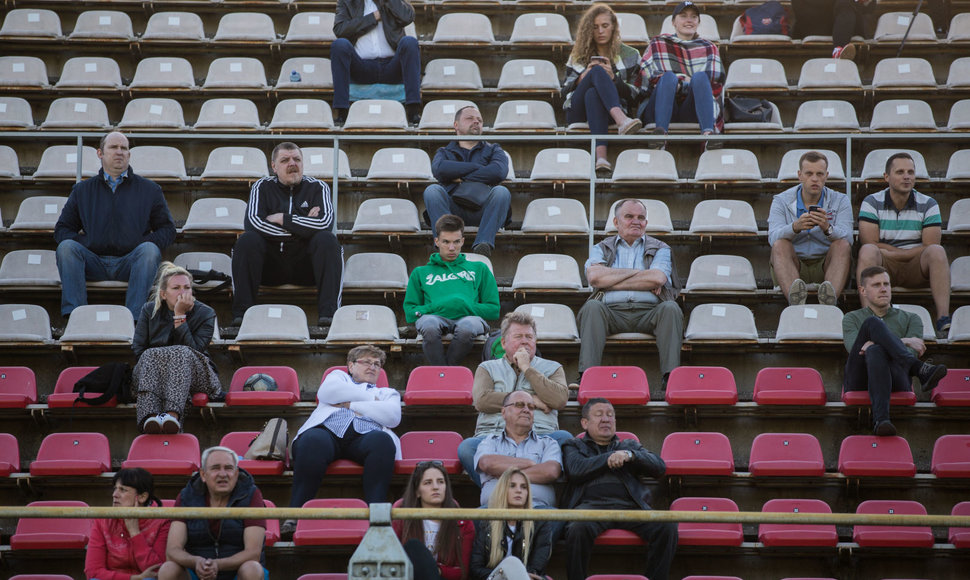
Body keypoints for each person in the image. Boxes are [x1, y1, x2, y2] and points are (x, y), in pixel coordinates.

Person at [54, 131, 176, 320]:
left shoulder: (150, 190)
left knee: (149, 250)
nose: (119, 152)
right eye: (113, 147)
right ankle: (75, 316)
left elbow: (167, 230)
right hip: (93, 262)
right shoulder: (82, 190)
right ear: (100, 153)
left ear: (129, 154)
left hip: (131, 261)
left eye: (124, 148)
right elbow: (62, 230)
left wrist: (141, 242)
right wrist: (87, 242)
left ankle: (136, 319)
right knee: (66, 248)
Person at [282, 345, 401, 536]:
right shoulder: (338, 376)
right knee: (312, 441)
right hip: (328, 432)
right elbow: (327, 393)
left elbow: (393, 416)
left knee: (382, 442)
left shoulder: (388, 393)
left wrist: (349, 404)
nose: (372, 367)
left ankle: (377, 519)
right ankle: (295, 516)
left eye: (377, 364)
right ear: (351, 366)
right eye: (366, 362)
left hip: (365, 437)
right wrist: (372, 400)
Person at [561, 398, 677, 580]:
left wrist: (630, 456)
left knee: (666, 526)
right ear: (584, 423)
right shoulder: (574, 445)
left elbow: (659, 468)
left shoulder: (628, 446)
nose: (606, 419)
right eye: (599, 415)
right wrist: (609, 459)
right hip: (590, 509)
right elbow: (576, 470)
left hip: (630, 509)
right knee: (577, 528)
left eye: (610, 415)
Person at [230, 142, 342, 327]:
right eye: (285, 160)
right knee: (247, 240)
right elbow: (253, 223)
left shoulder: (318, 187)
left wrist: (283, 218)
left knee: (327, 240)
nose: (292, 163)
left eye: (297, 159)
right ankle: (242, 314)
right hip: (270, 266)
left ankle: (329, 315)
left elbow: (324, 223)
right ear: (274, 166)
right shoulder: (261, 187)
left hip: (306, 267)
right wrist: (304, 228)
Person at [577, 199, 683, 389]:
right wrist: (640, 275)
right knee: (592, 307)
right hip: (610, 313)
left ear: (646, 223)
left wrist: (610, 280)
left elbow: (658, 278)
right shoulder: (600, 247)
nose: (636, 221)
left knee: (671, 308)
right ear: (616, 222)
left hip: (650, 313)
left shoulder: (661, 247)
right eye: (629, 216)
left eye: (641, 217)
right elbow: (594, 278)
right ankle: (587, 377)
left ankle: (671, 378)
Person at [458, 311, 572, 487]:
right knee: (467, 448)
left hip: (540, 436)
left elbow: (559, 400)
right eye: (518, 336)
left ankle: (505, 486)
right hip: (493, 436)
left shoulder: (553, 368)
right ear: (503, 343)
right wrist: (534, 399)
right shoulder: (487, 367)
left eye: (529, 337)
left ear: (535, 341)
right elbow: (481, 400)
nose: (525, 341)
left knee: (565, 439)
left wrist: (527, 367)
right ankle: (504, 489)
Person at [843, 266, 948, 436]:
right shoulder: (851, 318)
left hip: (897, 376)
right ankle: (920, 369)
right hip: (859, 375)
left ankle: (881, 420)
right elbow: (856, 348)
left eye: (887, 284)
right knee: (872, 323)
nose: (883, 288)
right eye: (876, 285)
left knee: (875, 350)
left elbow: (914, 352)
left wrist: (877, 344)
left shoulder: (912, 318)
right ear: (862, 290)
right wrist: (905, 341)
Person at [856, 152, 951, 332]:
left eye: (910, 172)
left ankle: (943, 317)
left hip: (916, 267)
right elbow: (869, 241)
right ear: (887, 177)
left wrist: (896, 253)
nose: (907, 176)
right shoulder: (872, 202)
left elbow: (931, 245)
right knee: (867, 250)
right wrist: (902, 253)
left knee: (937, 252)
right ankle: (868, 317)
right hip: (885, 266)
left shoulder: (929, 204)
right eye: (900, 172)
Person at [132, 262, 222, 435]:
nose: (183, 292)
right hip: (152, 374)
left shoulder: (206, 313)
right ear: (163, 294)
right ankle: (150, 418)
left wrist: (180, 316)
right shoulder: (148, 310)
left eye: (187, 287)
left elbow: (195, 350)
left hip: (197, 375)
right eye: (176, 288)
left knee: (181, 352)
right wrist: (163, 362)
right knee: (149, 354)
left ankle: (171, 417)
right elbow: (138, 350)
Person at [404, 214, 500, 366]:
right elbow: (410, 312)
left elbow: (493, 310)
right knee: (428, 326)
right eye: (446, 242)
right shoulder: (420, 272)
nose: (451, 248)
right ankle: (445, 373)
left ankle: (444, 373)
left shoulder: (480, 269)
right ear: (437, 241)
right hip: (434, 318)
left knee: (466, 328)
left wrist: (463, 305)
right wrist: (440, 306)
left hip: (469, 319)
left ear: (462, 241)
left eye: (456, 242)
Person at [159, 447, 267, 580]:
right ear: (203, 475)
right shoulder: (186, 496)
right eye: (216, 468)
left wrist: (217, 564)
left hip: (237, 573)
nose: (223, 474)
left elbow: (253, 553)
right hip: (196, 571)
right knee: (168, 569)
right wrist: (197, 562)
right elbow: (172, 550)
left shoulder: (252, 495)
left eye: (228, 468)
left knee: (252, 569)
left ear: (236, 473)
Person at [561, 3, 643, 174]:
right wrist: (583, 78)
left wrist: (614, 79)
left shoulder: (630, 54)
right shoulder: (579, 54)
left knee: (593, 94)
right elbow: (564, 92)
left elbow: (637, 94)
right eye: (595, 27)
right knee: (596, 71)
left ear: (613, 27)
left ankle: (601, 158)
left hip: (611, 109)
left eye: (605, 26)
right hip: (578, 110)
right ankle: (623, 121)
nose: (600, 31)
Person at [768, 150, 853, 306]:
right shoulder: (781, 200)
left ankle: (828, 302)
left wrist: (827, 228)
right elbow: (772, 238)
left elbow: (849, 238)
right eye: (809, 174)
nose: (815, 179)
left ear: (826, 176)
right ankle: (796, 304)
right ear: (800, 175)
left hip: (827, 264)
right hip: (793, 264)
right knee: (780, 244)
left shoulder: (840, 200)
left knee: (842, 244)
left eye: (820, 174)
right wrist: (794, 227)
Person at [424, 106, 512, 256]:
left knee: (501, 192)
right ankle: (447, 242)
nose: (476, 122)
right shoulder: (444, 151)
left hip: (483, 208)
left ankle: (483, 244)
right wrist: (479, 168)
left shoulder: (494, 149)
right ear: (456, 125)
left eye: (479, 120)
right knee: (432, 191)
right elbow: (440, 170)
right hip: (452, 210)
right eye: (470, 118)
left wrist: (459, 175)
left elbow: (498, 172)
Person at [637, 1, 725, 150]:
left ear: (698, 22)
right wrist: (682, 79)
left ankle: (708, 135)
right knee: (669, 77)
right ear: (673, 22)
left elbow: (714, 83)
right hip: (660, 105)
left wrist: (684, 82)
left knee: (701, 77)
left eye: (693, 17)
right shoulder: (659, 43)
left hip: (692, 109)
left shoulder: (709, 47)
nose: (689, 20)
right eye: (683, 16)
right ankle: (660, 135)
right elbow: (646, 77)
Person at [332, 0, 422, 125]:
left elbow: (407, 17)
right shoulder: (347, 2)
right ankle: (342, 111)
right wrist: (372, 18)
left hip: (392, 66)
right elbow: (339, 29)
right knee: (339, 45)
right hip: (362, 68)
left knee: (410, 42)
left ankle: (413, 111)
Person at [474, 391, 562, 509]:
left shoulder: (548, 443)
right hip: (495, 508)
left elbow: (551, 471)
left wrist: (502, 475)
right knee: (476, 518)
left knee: (557, 519)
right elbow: (487, 463)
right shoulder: (490, 441)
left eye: (531, 407)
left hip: (538, 509)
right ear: (504, 412)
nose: (526, 410)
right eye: (519, 405)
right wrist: (529, 463)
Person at [468, 467, 555, 580]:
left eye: (524, 487)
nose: (519, 490)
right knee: (512, 563)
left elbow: (536, 568)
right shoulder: (487, 522)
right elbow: (476, 568)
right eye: (512, 485)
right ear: (503, 490)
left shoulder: (540, 523)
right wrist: (505, 574)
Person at [393, 461, 475, 580]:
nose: (436, 487)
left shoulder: (464, 523)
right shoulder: (403, 516)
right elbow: (393, 562)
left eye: (441, 482)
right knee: (413, 546)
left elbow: (461, 573)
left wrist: (434, 570)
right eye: (428, 483)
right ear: (417, 492)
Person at [85, 468, 171, 580]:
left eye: (123, 490)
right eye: (115, 489)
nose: (114, 495)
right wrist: (134, 578)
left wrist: (134, 532)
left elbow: (157, 571)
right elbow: (93, 572)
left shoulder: (162, 522)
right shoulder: (102, 521)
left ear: (142, 497)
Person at [790, 0, 877, 59]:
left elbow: (869, 9)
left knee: (845, 3)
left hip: (849, 27)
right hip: (815, 27)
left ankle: (840, 50)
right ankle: (839, 50)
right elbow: (802, 12)